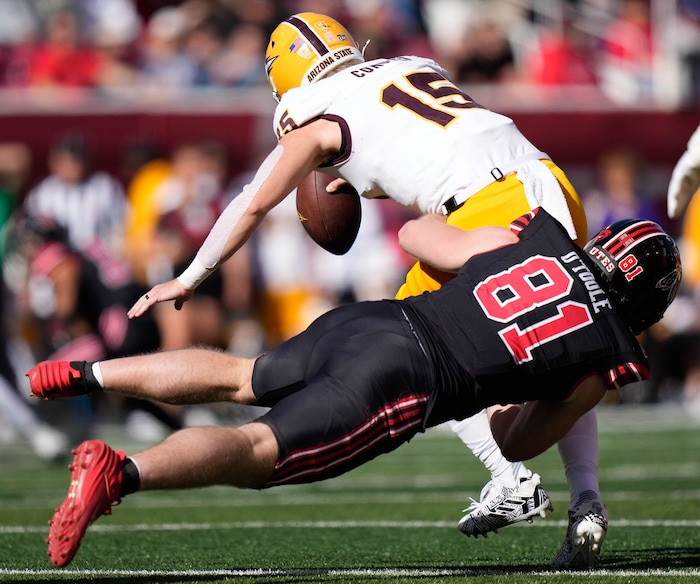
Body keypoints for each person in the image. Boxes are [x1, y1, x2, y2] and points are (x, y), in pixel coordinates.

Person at [113, 12, 597, 566]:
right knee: (563, 343)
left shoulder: (316, 115)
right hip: (549, 187)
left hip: (487, 214)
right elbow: (429, 146)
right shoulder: (412, 63)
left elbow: (254, 200)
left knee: (420, 349)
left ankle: (511, 474)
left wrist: (189, 275)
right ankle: (586, 502)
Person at [27, 208, 682, 568]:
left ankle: (84, 374)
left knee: (244, 374)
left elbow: (417, 234)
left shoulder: (530, 240)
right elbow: (515, 441)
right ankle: (122, 473)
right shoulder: (603, 359)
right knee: (260, 451)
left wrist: (489, 258)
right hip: (406, 381)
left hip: (379, 318)